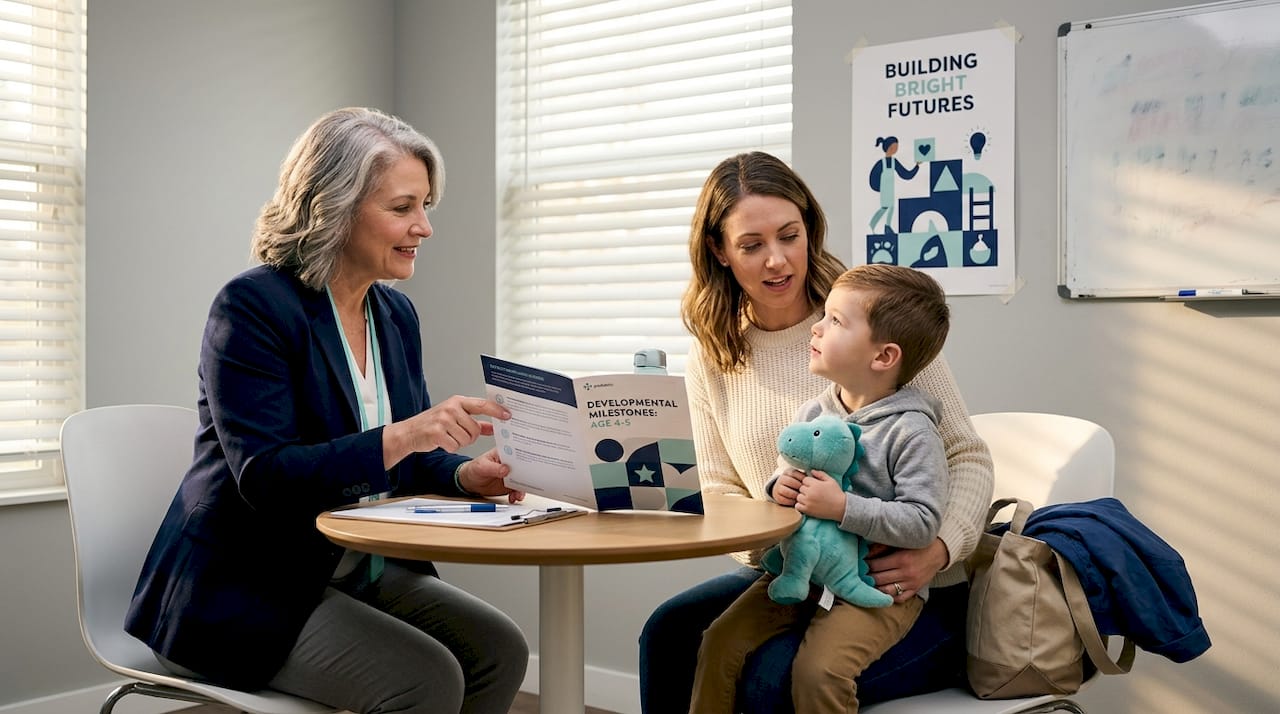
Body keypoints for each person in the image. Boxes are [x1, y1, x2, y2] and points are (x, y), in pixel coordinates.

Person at [125, 107, 529, 714]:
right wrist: (401, 437)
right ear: (332, 209)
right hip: (244, 584)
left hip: (350, 568)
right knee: (425, 681)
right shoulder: (252, 307)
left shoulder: (394, 316)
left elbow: (404, 461)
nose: (424, 226)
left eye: (426, 206)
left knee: (500, 650)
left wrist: (462, 474)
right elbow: (266, 476)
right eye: (402, 208)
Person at [639, 151, 993, 713]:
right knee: (670, 634)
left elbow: (966, 456)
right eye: (751, 244)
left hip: (902, 583)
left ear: (810, 228)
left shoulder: (872, 327)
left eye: (789, 235)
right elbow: (719, 490)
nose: (777, 260)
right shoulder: (712, 355)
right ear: (720, 251)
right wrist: (780, 533)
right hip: (796, 569)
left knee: (771, 682)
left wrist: (940, 549)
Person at [689, 263, 952, 713]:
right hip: (799, 571)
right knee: (719, 642)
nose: (817, 327)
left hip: (878, 586)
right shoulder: (813, 413)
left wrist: (843, 507)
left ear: (883, 356)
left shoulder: (912, 432)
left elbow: (923, 522)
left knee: (818, 672)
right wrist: (780, 489)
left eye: (835, 321)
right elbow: (782, 479)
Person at [868, 136, 920, 235]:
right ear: (889, 148)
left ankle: (886, 226)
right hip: (884, 189)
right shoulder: (881, 163)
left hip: (890, 190)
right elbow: (873, 177)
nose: (896, 149)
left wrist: (916, 167)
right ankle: (874, 224)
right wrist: (878, 188)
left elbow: (905, 174)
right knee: (885, 207)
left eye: (897, 147)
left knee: (890, 207)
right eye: (894, 147)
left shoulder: (894, 162)